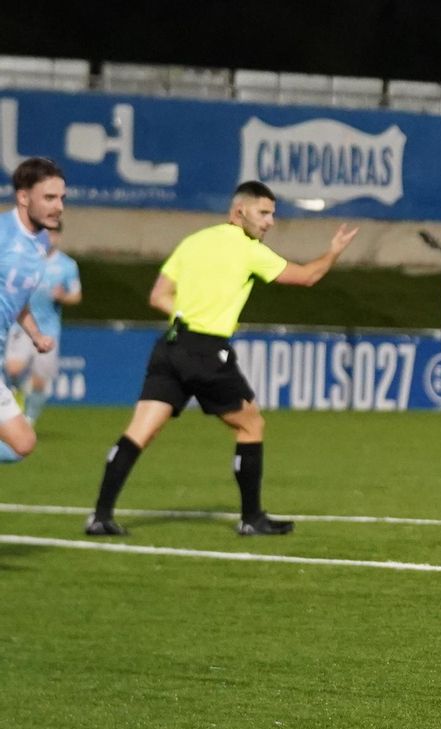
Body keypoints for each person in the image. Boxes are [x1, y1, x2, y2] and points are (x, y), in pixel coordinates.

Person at [84, 181, 358, 536]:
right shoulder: (248, 249)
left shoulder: (193, 241)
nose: (270, 222)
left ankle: (100, 516)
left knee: (140, 431)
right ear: (239, 211)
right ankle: (251, 518)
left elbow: (158, 296)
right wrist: (333, 251)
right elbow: (308, 277)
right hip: (206, 350)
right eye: (264, 213)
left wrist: (186, 314)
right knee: (251, 425)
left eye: (272, 214)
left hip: (171, 346)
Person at [0, 158, 64, 464]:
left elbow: (18, 296)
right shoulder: (2, 233)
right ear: (24, 197)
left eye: (61, 198)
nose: (59, 206)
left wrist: (36, 335)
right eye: (49, 198)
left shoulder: (40, 242)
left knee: (21, 445)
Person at [5, 225, 81, 427]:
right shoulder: (24, 260)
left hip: (48, 330)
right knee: (12, 369)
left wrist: (62, 296)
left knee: (40, 382)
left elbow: (76, 296)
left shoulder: (67, 265)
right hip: (22, 327)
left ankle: (29, 419)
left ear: (58, 236)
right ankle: (19, 396)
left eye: (52, 234)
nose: (48, 238)